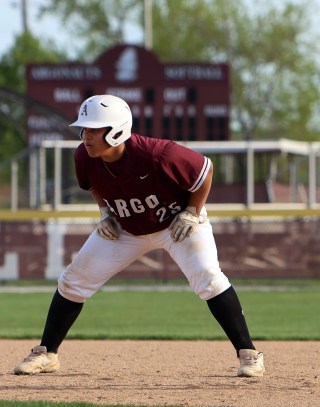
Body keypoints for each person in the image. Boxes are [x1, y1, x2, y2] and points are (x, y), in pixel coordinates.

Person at [14, 94, 264, 378]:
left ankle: (249, 354)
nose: (86, 136)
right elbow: (92, 184)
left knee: (208, 277)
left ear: (118, 130)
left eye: (95, 129)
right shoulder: (84, 156)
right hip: (126, 229)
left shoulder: (158, 154)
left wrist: (192, 211)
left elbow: (203, 170)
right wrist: (105, 213)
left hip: (176, 224)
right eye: (84, 128)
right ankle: (47, 353)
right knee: (73, 280)